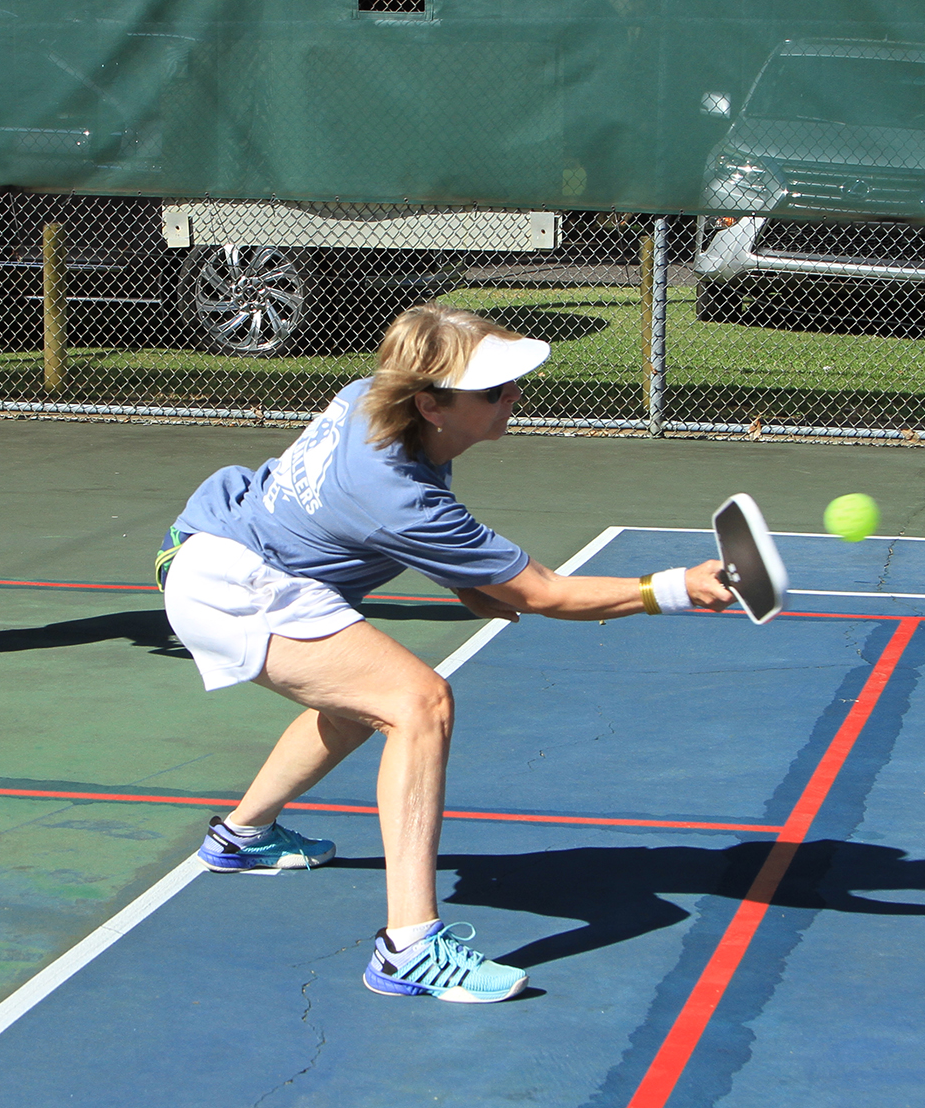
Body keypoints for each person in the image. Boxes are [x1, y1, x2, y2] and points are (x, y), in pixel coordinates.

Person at [158, 304, 734, 1002]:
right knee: (418, 702)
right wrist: (676, 588)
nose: (514, 396)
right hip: (237, 584)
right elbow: (545, 592)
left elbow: (381, 523)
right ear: (430, 404)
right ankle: (410, 949)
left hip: (221, 546)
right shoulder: (394, 493)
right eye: (493, 391)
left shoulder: (370, 398)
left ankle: (242, 838)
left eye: (513, 382)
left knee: (358, 701)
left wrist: (463, 579)